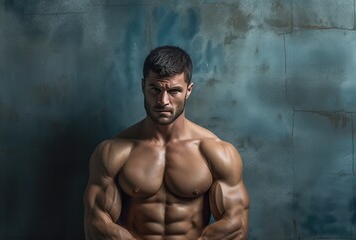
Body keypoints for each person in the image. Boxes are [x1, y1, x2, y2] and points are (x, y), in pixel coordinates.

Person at [83, 45, 250, 240]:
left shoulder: (215, 152)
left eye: (174, 91)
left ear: (188, 90)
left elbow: (236, 224)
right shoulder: (113, 152)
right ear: (143, 86)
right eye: (155, 89)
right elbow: (96, 223)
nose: (163, 101)